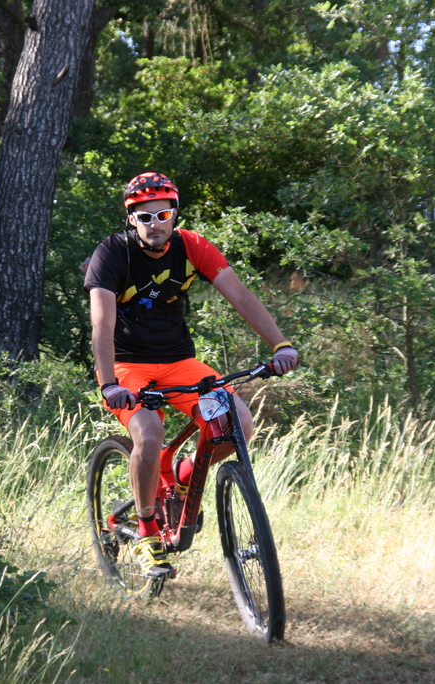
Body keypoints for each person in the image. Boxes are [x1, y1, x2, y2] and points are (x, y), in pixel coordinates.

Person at [83, 172, 299, 580]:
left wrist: (281, 345)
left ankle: (182, 478)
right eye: (144, 216)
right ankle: (147, 533)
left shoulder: (192, 246)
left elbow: (241, 297)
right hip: (126, 365)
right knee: (148, 434)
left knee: (238, 423)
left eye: (163, 214)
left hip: (179, 361)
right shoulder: (111, 253)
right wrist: (110, 383)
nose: (155, 224)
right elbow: (102, 324)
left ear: (175, 214)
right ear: (131, 219)